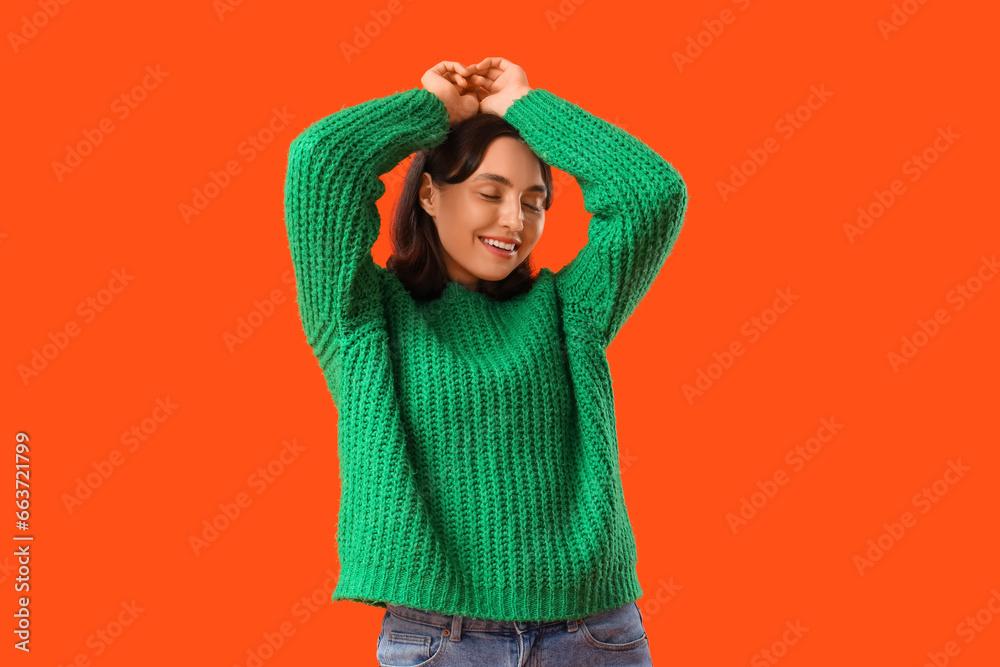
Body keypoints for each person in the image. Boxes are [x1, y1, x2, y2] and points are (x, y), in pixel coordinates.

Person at [283, 56, 688, 666]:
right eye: (489, 193)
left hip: (592, 633)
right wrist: (429, 111)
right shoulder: (362, 317)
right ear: (428, 192)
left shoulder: (567, 311)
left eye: (534, 201)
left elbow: (650, 194)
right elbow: (321, 162)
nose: (513, 221)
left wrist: (525, 106)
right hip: (442, 641)